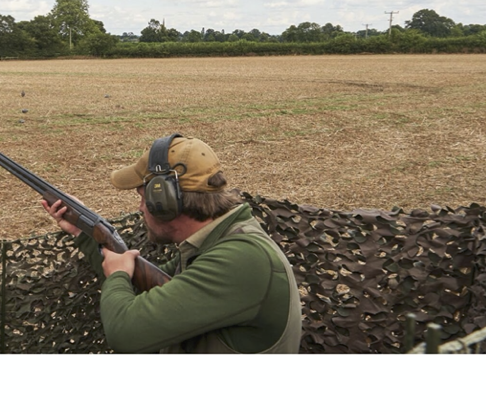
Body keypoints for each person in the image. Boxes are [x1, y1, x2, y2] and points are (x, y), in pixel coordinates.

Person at [43, 132, 302, 353]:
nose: (140, 208)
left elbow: (126, 332)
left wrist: (118, 274)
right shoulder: (217, 243)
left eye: (143, 198)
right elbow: (143, 282)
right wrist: (84, 232)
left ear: (164, 202)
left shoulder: (241, 259)